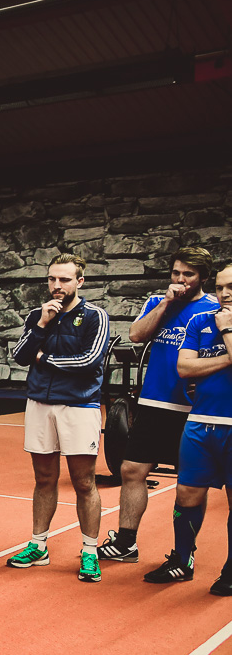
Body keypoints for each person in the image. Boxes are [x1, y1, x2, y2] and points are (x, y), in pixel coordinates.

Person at [99, 247, 219, 564]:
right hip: (154, 402)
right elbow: (136, 334)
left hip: (195, 408)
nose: (180, 280)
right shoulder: (157, 302)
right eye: (176, 272)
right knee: (132, 469)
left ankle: (184, 552)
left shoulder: (214, 308)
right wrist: (166, 302)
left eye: (188, 274)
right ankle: (126, 543)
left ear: (203, 277)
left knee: (191, 485)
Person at [10, 254, 112, 582]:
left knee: (84, 482)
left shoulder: (95, 316)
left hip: (79, 406)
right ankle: (39, 545)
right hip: (40, 404)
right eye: (52, 279)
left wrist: (44, 357)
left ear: (79, 282)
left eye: (64, 280)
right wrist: (40, 325)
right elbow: (19, 356)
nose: (57, 286)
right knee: (43, 479)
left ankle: (89, 551)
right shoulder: (38, 315)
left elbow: (89, 362)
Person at [142, 262, 232, 595]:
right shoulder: (199, 320)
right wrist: (226, 358)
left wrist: (227, 332)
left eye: (231, 287)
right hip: (199, 424)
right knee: (186, 495)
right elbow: (184, 367)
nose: (224, 294)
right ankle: (182, 559)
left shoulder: (219, 323)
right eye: (221, 287)